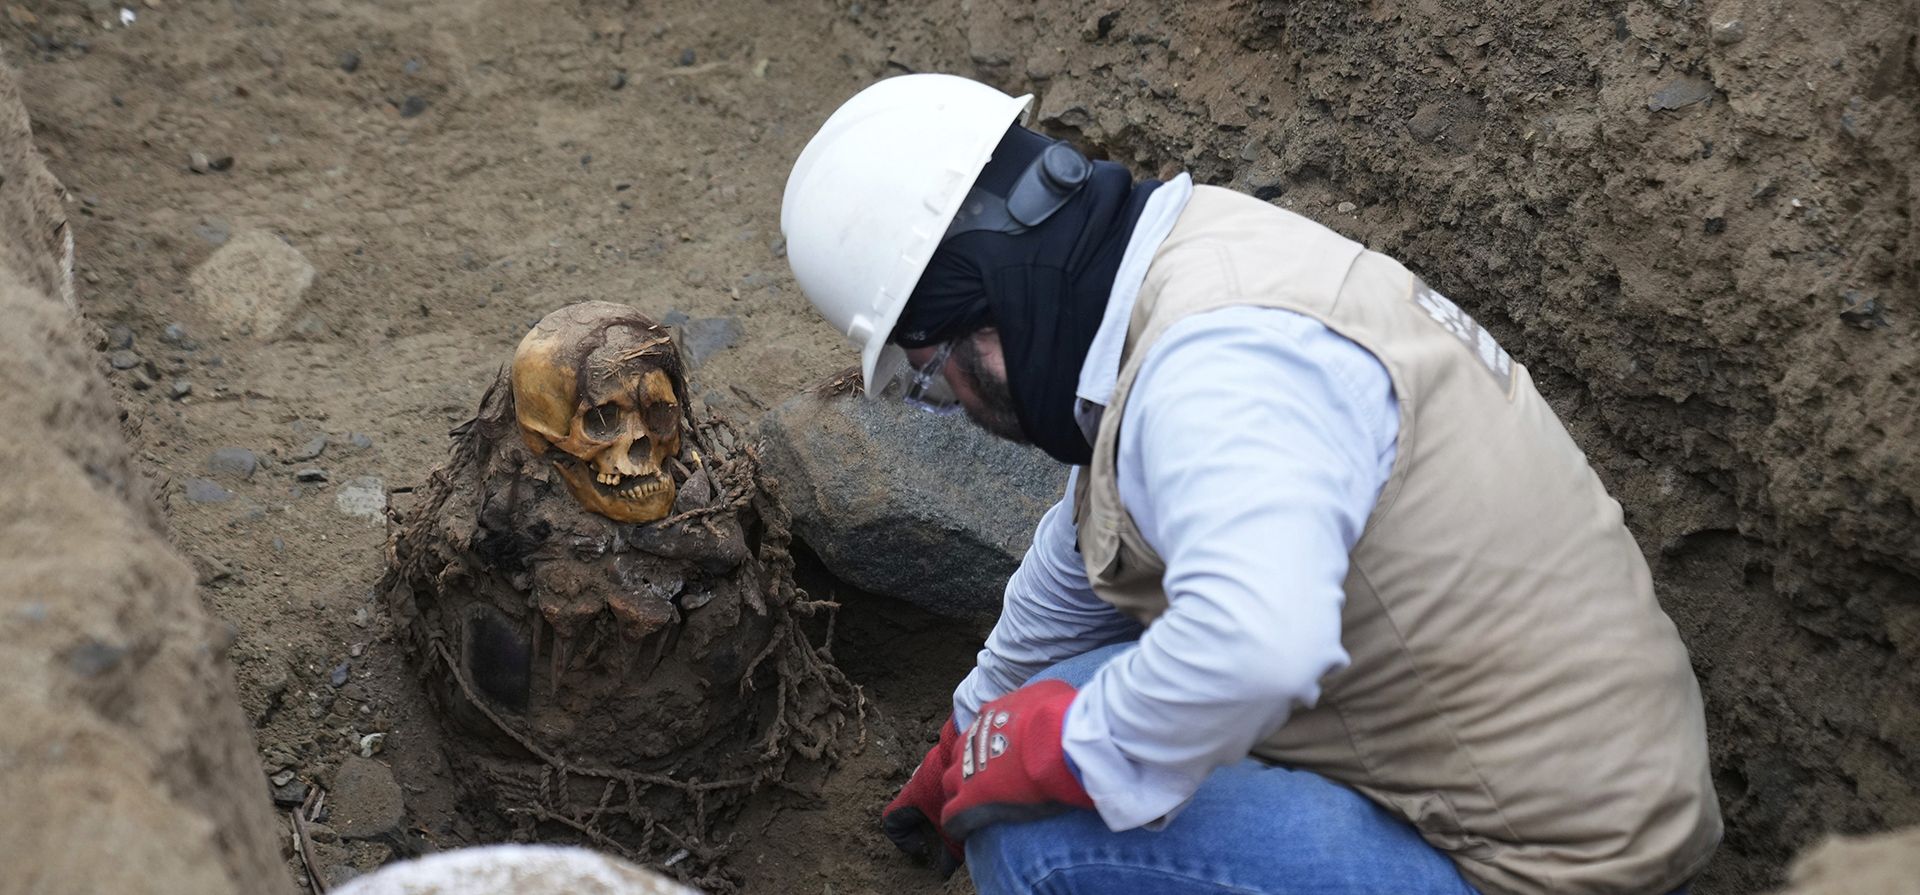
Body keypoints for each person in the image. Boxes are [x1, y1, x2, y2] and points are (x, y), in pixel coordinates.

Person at [780, 74, 1721, 895]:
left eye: (930, 375)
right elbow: (1085, 547)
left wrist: (1056, 752)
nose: (951, 404)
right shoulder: (1188, 268)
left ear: (989, 303)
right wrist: (971, 726)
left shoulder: (1219, 367)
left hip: (1548, 869)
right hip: (1533, 769)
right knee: (1064, 697)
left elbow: (1261, 643)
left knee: (1038, 835)